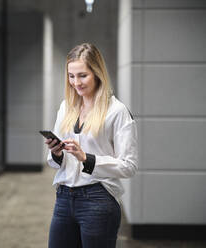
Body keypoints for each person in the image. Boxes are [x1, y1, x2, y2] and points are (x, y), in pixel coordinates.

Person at [45, 43, 138, 248]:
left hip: (98, 199)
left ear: (97, 73)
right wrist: (56, 152)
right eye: (71, 76)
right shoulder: (66, 107)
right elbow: (54, 163)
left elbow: (129, 166)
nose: (76, 83)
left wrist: (87, 158)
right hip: (63, 197)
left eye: (82, 75)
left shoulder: (117, 111)